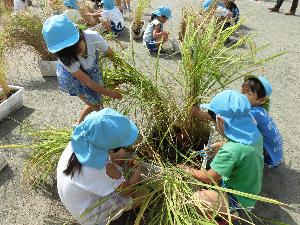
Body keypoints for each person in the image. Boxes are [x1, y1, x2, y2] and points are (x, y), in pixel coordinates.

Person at [57, 108, 146, 225]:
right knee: (143, 193)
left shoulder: (80, 139)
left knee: (121, 155)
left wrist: (116, 155)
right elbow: (129, 191)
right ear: (108, 148)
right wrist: (138, 169)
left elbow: (117, 155)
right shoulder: (105, 169)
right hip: (89, 216)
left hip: (73, 199)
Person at [181, 90, 264, 217]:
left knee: (198, 199)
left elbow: (208, 177)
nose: (214, 124)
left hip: (238, 199)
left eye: (213, 122)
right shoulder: (254, 134)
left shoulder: (231, 151)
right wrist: (221, 144)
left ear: (220, 120)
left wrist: (188, 170)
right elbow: (242, 152)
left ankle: (228, 213)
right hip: (249, 188)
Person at [42, 15, 122, 124]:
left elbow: (113, 56)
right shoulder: (66, 57)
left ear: (79, 34)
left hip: (90, 70)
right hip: (72, 79)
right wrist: (111, 93)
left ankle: (84, 123)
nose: (76, 54)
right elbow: (87, 81)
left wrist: (122, 72)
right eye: (71, 54)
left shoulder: (93, 37)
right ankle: (80, 126)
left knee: (96, 102)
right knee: (95, 104)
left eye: (77, 49)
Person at [241, 75, 283, 168]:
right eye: (242, 91)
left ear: (261, 100)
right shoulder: (260, 110)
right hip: (276, 154)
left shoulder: (253, 114)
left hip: (270, 159)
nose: (243, 96)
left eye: (249, 93)